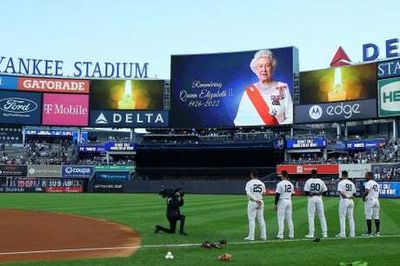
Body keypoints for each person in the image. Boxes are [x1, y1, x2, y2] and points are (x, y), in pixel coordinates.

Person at [234, 49, 293, 126]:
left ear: (272, 68)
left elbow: (291, 117)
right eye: (260, 66)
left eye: (267, 66)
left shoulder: (282, 87)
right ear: (256, 69)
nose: (264, 69)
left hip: (278, 135)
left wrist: (278, 128)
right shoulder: (249, 91)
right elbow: (239, 121)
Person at [303, 169, 328, 238]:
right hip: (319, 198)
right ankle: (325, 233)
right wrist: (320, 193)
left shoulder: (309, 181)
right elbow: (325, 191)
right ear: (317, 174)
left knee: (311, 216)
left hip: (311, 199)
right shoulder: (320, 181)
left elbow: (306, 192)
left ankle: (311, 233)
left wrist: (312, 193)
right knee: (321, 215)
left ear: (311, 174)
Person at [244, 170, 267, 241]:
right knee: (261, 219)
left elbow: (248, 193)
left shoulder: (249, 183)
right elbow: (264, 193)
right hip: (261, 201)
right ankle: (263, 236)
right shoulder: (261, 183)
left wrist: (255, 199)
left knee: (251, 220)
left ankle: (251, 236)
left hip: (253, 202)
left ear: (251, 175)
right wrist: (259, 198)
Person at [274, 170, 294, 239]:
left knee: (281, 219)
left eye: (281, 175)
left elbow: (277, 194)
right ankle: (291, 234)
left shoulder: (280, 183)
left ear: (282, 175)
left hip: (282, 201)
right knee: (289, 219)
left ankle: (280, 234)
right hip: (289, 200)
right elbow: (292, 194)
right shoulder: (290, 184)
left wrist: (275, 204)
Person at [336, 170, 356, 238]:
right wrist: (349, 196)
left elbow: (340, 192)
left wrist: (346, 196)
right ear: (347, 175)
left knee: (342, 217)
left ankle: (342, 234)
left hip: (344, 200)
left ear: (342, 175)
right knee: (351, 218)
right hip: (351, 201)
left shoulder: (341, 182)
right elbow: (354, 194)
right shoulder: (352, 183)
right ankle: (352, 234)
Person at [362, 171, 380, 237]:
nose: (365, 176)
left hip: (370, 200)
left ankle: (369, 233)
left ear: (369, 176)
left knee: (368, 216)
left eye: (366, 175)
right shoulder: (376, 183)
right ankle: (377, 232)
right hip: (376, 200)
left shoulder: (368, 182)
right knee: (376, 216)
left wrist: (363, 197)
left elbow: (367, 191)